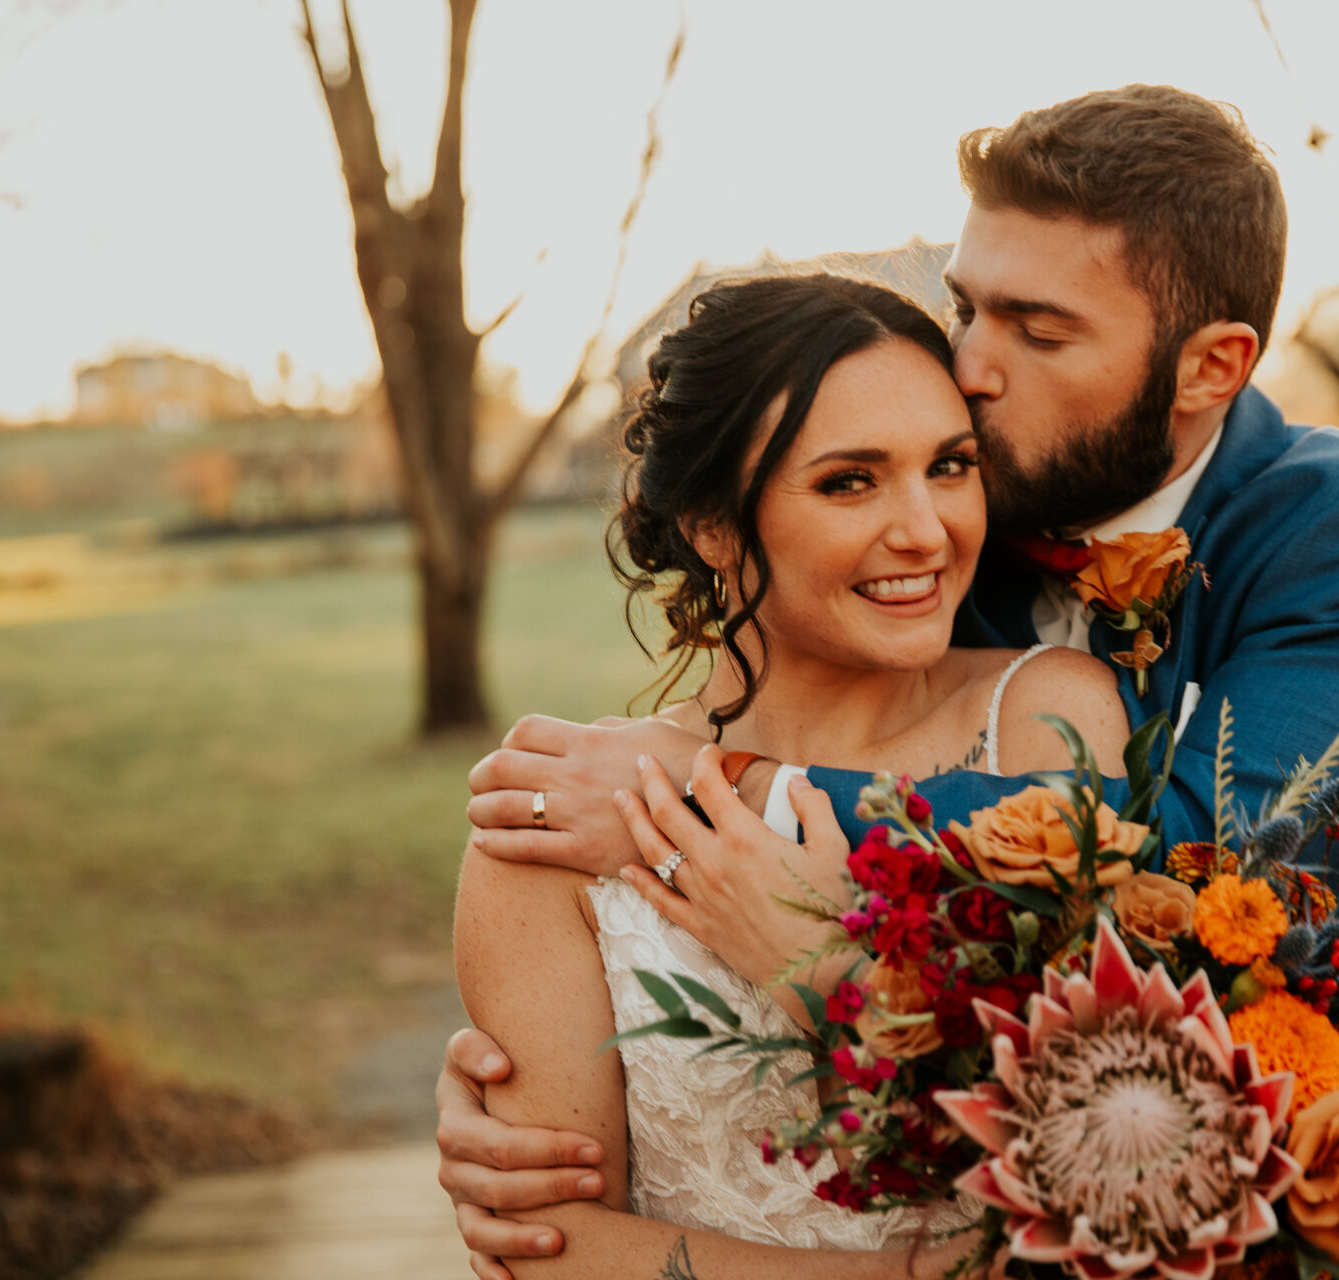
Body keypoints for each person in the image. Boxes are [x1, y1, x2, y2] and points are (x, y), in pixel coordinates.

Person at [442, 86, 1339, 1280]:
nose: (968, 367)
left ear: (1210, 365)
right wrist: (515, 1095)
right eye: (968, 304)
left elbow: (1213, 871)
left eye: (1036, 328)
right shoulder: (960, 536)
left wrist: (720, 792)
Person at [454, 271, 1132, 1279]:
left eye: (950, 465)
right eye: (849, 480)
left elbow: (1116, 1135)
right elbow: (546, 1249)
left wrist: (826, 966)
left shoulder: (1046, 719)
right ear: (713, 524)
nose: (926, 529)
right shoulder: (562, 816)